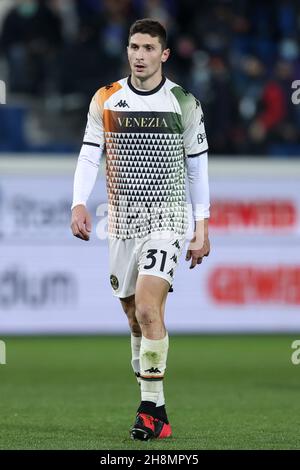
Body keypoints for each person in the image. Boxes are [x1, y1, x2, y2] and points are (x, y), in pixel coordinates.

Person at [70, 18, 210, 441]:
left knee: (149, 307)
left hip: (166, 219)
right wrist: (78, 201)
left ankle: (148, 410)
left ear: (164, 54)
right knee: (134, 317)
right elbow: (90, 156)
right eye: (134, 47)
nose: (140, 55)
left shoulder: (184, 103)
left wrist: (201, 225)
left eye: (149, 48)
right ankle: (158, 409)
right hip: (122, 221)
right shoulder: (106, 99)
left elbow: (197, 166)